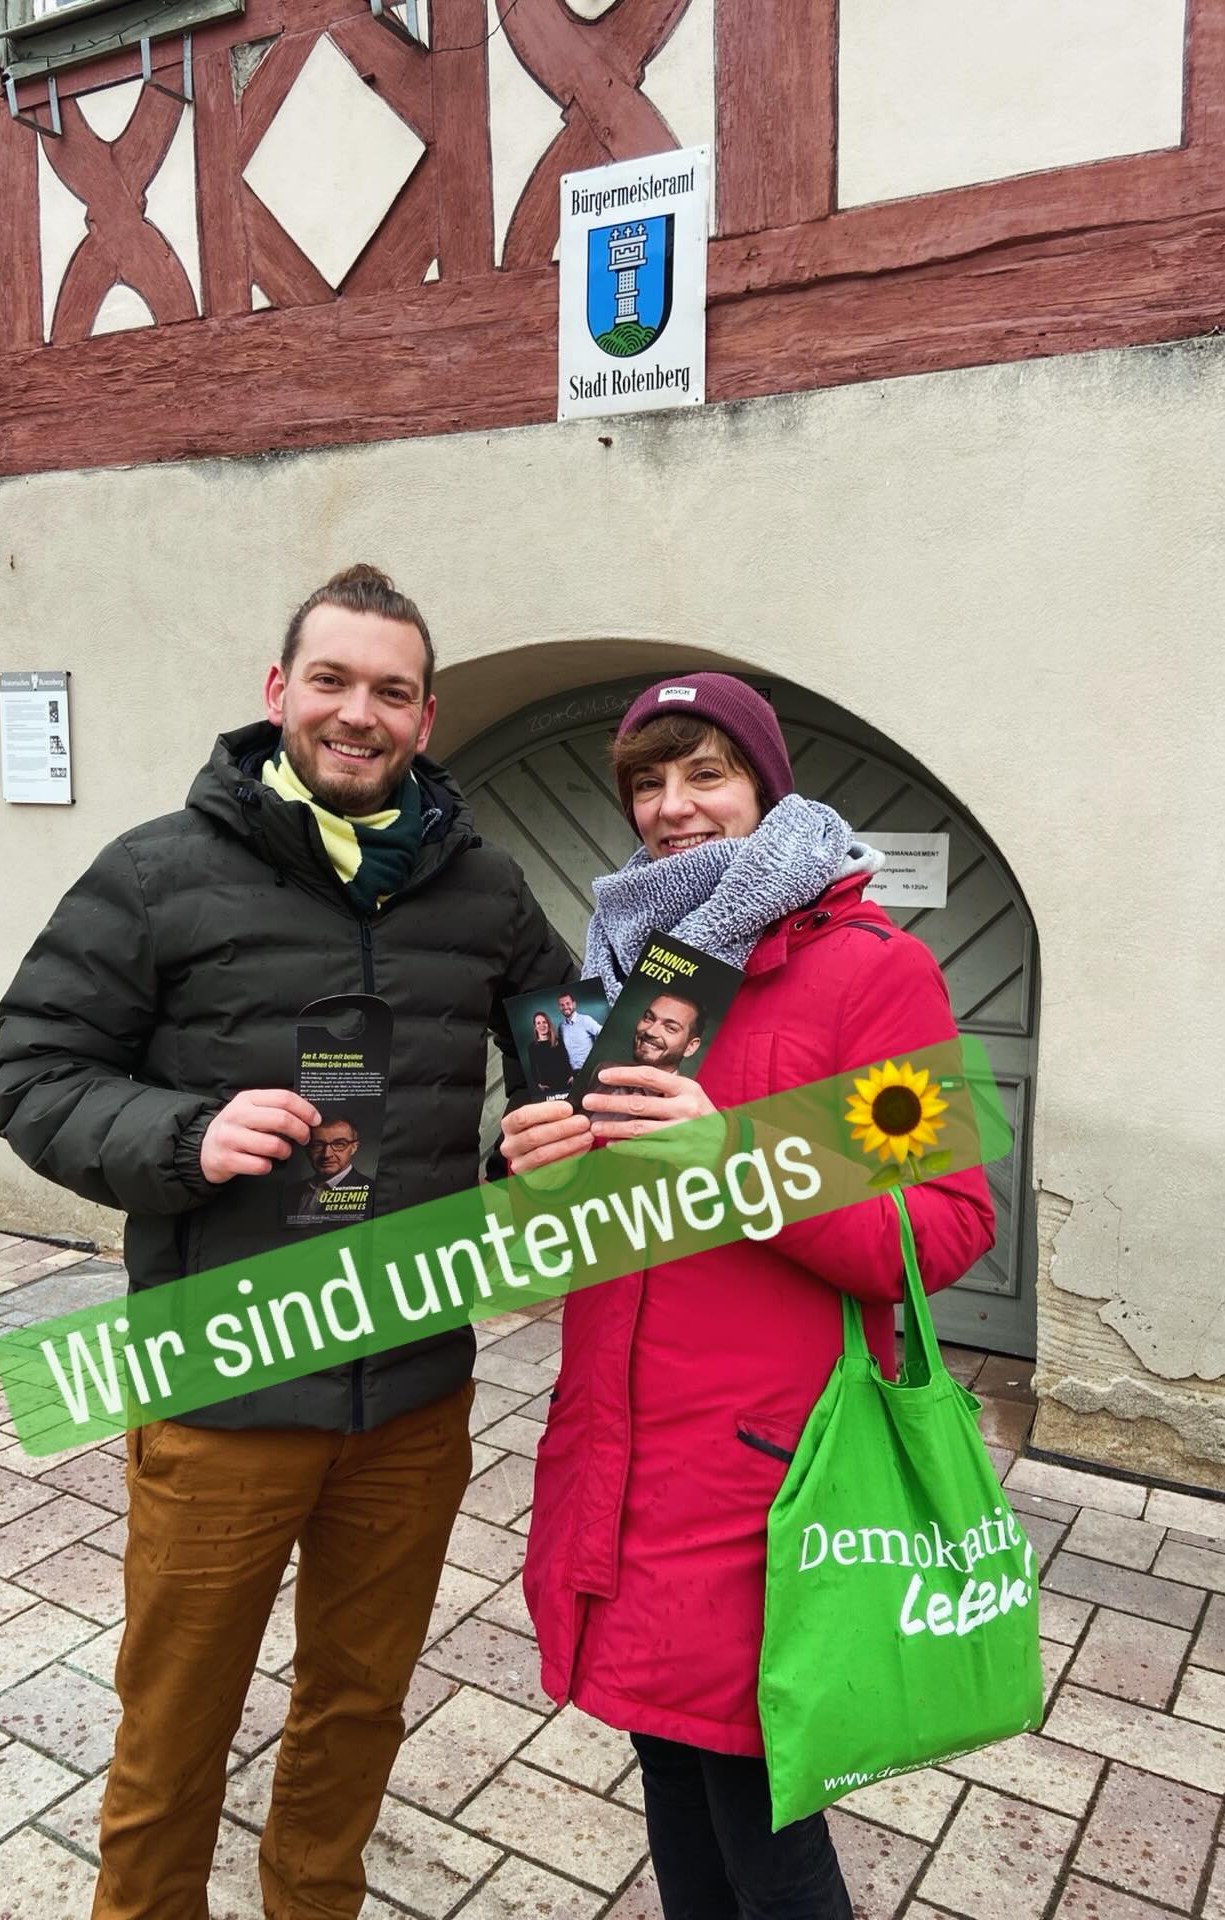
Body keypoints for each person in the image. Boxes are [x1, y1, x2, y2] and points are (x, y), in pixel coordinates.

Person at [0, 563, 575, 1920]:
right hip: (225, 1382)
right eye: (332, 681)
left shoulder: (483, 888)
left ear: (425, 717)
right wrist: (184, 1134)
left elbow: (557, 1045)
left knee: (358, 1707)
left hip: (413, 1390)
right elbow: (35, 1073)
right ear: (277, 693)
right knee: (175, 1722)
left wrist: (529, 1139)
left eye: (390, 690)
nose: (357, 712)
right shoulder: (153, 873)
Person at [502, 672, 994, 1920]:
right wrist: (536, 1179)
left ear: (767, 788)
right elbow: (608, 1232)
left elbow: (943, 1226)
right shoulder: (632, 977)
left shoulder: (871, 973)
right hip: (622, 1456)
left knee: (764, 1821)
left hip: (771, 1478)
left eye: (705, 772)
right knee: (673, 1777)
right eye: (649, 782)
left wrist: (737, 1160)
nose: (673, 806)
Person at [286, 1113, 375, 1221]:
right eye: (317, 1145)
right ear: (307, 1149)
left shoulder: (373, 1193)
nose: (327, 1154)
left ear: (354, 1147)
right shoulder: (291, 1192)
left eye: (339, 1144)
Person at [631, 993, 703, 1072]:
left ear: (690, 1047)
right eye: (649, 1018)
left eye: (671, 1028)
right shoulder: (615, 1072)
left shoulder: (687, 1085)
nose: (650, 1032)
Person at [527, 1011, 573, 1095]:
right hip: (549, 1088)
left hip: (566, 1083)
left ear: (548, 1024)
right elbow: (533, 1068)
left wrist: (571, 1076)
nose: (542, 1025)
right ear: (535, 1027)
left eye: (544, 1022)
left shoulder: (558, 1041)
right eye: (538, 1023)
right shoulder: (532, 1047)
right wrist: (538, 1084)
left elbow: (566, 1060)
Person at [556, 990, 601, 1072]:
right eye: (562, 1005)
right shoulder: (561, 1027)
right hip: (573, 1074)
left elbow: (602, 1033)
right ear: (559, 1008)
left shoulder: (585, 1020)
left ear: (574, 1004)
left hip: (590, 1069)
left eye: (568, 1003)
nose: (565, 1007)